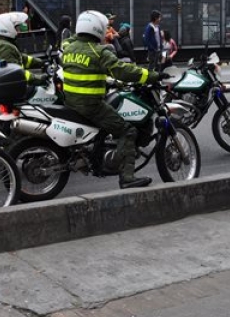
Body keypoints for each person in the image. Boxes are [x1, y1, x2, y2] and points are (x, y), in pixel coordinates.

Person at [62, 10, 160, 189]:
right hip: (91, 105)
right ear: (97, 29)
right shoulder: (98, 51)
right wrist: (151, 75)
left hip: (70, 103)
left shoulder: (68, 47)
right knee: (127, 131)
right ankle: (127, 177)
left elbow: (82, 70)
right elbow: (122, 70)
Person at [0, 11, 48, 86]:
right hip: (11, 88)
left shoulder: (4, 42)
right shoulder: (4, 47)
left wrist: (41, 63)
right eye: (16, 27)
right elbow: (16, 73)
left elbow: (20, 58)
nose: (18, 30)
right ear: (7, 28)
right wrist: (39, 78)